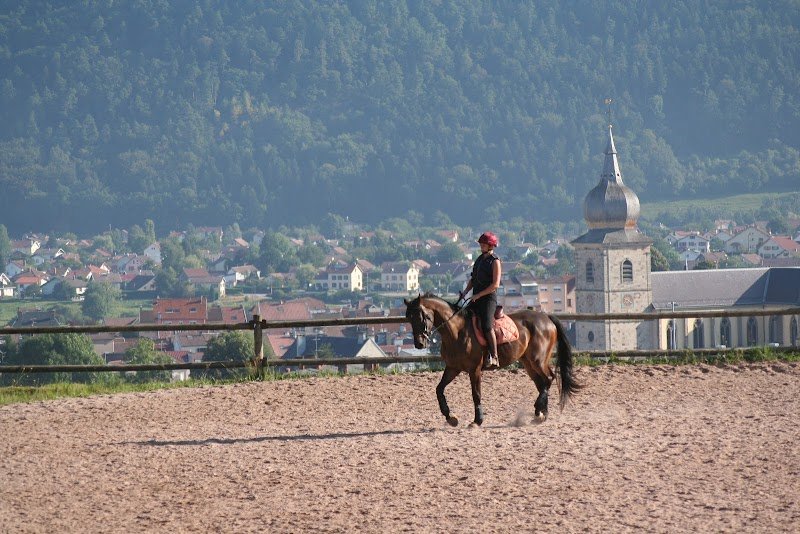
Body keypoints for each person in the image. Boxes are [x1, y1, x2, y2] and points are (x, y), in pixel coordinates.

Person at [460, 231, 502, 370]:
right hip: (476, 297)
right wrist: (465, 292)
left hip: (488, 299)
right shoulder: (479, 260)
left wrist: (478, 295)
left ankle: (494, 356)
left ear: (491, 245)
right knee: (463, 318)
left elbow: (495, 285)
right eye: (481, 244)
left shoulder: (495, 261)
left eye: (484, 244)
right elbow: (473, 279)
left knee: (487, 325)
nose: (481, 246)